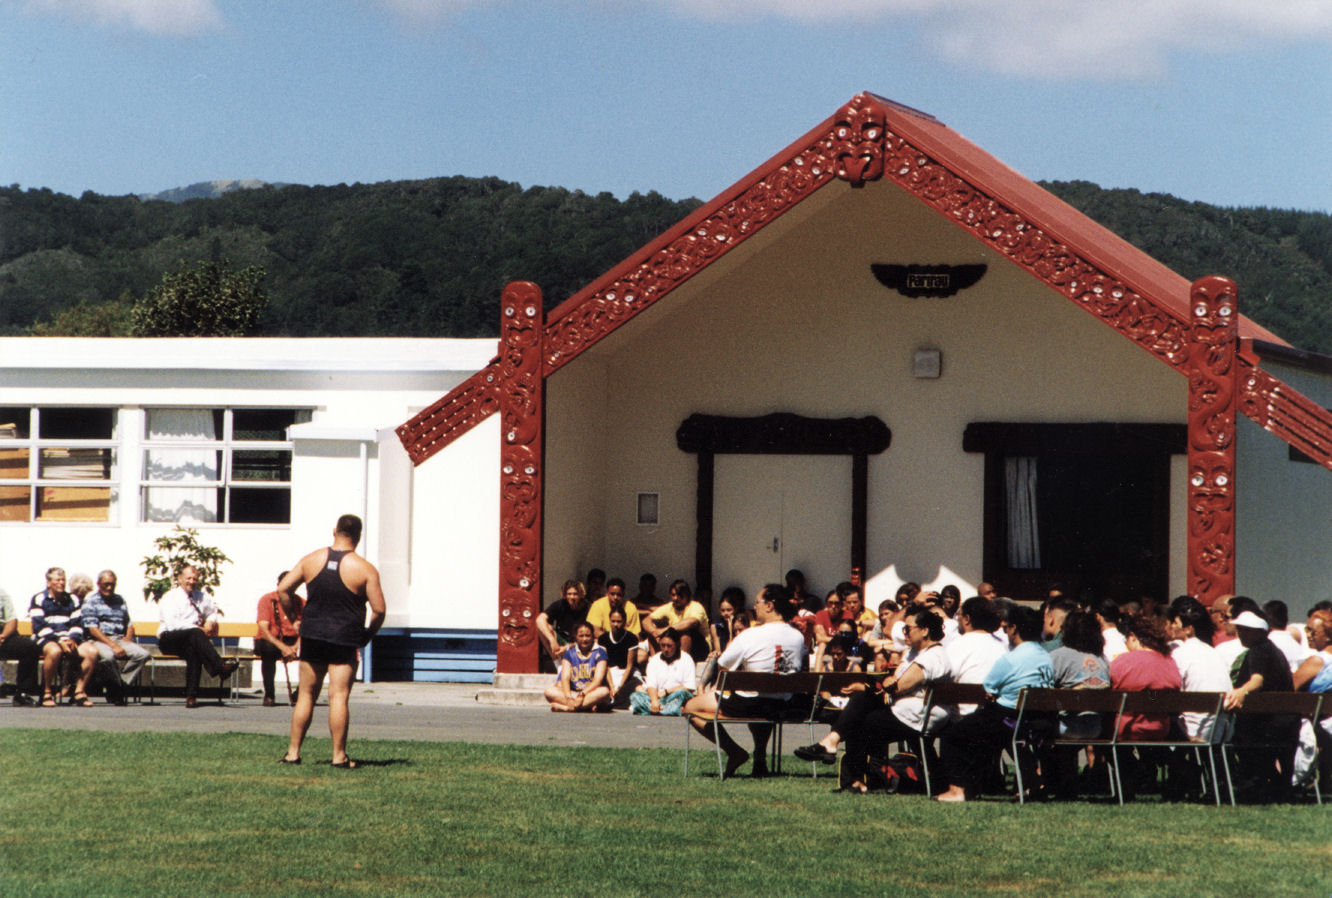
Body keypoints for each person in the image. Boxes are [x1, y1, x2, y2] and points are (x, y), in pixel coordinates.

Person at [799, 610, 952, 793]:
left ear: (925, 631)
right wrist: (878, 685)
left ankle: (849, 772)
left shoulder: (933, 657)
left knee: (860, 717)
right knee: (860, 704)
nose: (904, 633)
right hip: (902, 710)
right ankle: (835, 748)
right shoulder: (914, 653)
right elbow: (892, 682)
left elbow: (897, 687)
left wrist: (867, 687)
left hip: (916, 717)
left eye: (907, 629)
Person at [278, 514, 386, 767]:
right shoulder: (365, 569)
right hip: (344, 637)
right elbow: (380, 610)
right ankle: (338, 756)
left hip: (313, 634)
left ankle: (293, 753)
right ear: (358, 536)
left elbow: (284, 588)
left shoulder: (311, 559)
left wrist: (294, 618)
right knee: (338, 696)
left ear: (334, 530)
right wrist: (367, 635)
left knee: (306, 694)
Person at [682, 583, 805, 778]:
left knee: (689, 708)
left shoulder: (750, 635)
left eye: (757, 602)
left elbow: (722, 665)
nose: (753, 607)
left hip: (747, 703)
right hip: (781, 703)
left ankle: (734, 752)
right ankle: (760, 758)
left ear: (770, 606)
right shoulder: (798, 637)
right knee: (764, 700)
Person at [936, 605, 1054, 802]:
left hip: (1006, 718)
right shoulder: (1046, 657)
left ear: (1015, 628)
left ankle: (958, 790)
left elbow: (988, 687)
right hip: (1035, 721)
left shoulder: (1010, 659)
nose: (1006, 632)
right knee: (979, 733)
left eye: (1007, 628)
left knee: (953, 734)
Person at [1224, 607, 1298, 800]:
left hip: (1267, 723)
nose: (1241, 634)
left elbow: (1258, 680)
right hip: (1288, 720)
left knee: (1240, 737)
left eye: (1246, 630)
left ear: (1260, 632)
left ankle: (1263, 786)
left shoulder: (1257, 651)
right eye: (1240, 629)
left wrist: (1240, 692)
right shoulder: (1275, 651)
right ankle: (1280, 788)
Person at [158, 565, 240, 708]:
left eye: (195, 579)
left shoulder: (201, 597)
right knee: (195, 634)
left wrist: (210, 622)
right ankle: (220, 667)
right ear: (180, 579)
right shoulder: (170, 597)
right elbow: (173, 625)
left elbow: (212, 612)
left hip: (190, 640)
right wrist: (200, 630)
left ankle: (191, 696)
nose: (192, 582)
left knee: (194, 650)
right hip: (169, 639)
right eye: (188, 578)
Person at [30, 567, 99, 707]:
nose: (61, 583)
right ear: (49, 583)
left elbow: (77, 623)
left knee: (92, 651)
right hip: (47, 638)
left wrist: (72, 639)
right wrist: (60, 641)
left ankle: (79, 692)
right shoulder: (39, 598)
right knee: (55, 651)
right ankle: (47, 693)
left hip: (69, 639)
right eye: (57, 580)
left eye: (63, 580)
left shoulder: (72, 599)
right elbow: (39, 626)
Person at [81, 569, 150, 705]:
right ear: (98, 584)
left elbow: (128, 623)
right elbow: (93, 629)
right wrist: (113, 645)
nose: (109, 587)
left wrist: (128, 638)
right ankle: (116, 689)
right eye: (106, 584)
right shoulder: (90, 602)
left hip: (119, 638)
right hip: (99, 640)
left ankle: (119, 686)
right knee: (108, 656)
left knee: (143, 654)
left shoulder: (119, 599)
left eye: (112, 584)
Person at [256, 571, 304, 706]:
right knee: (268, 649)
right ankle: (269, 694)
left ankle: (301, 693)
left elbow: (307, 629)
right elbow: (264, 631)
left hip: (292, 641)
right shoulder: (267, 600)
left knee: (314, 650)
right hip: (271, 641)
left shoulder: (301, 602)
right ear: (279, 585)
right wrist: (283, 648)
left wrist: (295, 647)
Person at [544, 621, 612, 712]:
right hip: (573, 693)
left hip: (589, 693)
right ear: (576, 637)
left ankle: (566, 708)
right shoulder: (569, 653)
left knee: (604, 692)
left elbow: (597, 681)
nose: (584, 639)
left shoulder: (600, 652)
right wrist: (568, 697)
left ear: (593, 637)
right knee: (549, 691)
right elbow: (565, 678)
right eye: (581, 636)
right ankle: (585, 707)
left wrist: (582, 694)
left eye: (588, 636)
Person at [631, 628, 696, 716]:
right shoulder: (655, 660)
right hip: (658, 696)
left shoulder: (686, 659)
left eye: (669, 646)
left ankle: (652, 709)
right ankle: (667, 710)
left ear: (677, 644)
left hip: (675, 695)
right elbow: (651, 684)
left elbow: (689, 687)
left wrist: (666, 692)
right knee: (635, 696)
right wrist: (654, 700)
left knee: (682, 694)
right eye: (663, 645)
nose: (665, 649)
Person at [643, 580, 711, 660]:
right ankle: (657, 663)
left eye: (679, 595)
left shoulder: (695, 606)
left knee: (685, 633)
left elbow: (690, 622)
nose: (676, 598)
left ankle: (683, 664)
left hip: (700, 648)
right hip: (675, 644)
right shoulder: (669, 606)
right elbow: (646, 621)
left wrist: (663, 631)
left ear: (687, 595)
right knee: (651, 634)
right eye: (673, 595)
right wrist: (654, 632)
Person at [535, 580, 590, 669]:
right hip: (562, 643)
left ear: (581, 594)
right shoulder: (560, 604)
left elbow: (590, 635)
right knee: (545, 627)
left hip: (580, 642)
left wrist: (567, 648)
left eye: (575, 594)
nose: (572, 597)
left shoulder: (587, 607)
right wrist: (552, 640)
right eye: (569, 594)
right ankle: (558, 663)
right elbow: (539, 620)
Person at [0, 586, 41, 705]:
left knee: (29, 647)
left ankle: (23, 693)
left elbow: (12, 621)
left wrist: (3, 636)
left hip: (3, 635)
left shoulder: (2, 593)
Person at [597, 607, 641, 706]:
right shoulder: (603, 639)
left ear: (624, 622)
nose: (616, 624)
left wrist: (620, 686)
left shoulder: (632, 638)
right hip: (609, 673)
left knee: (637, 688)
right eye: (613, 621)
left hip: (626, 673)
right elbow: (605, 665)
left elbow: (629, 666)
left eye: (619, 621)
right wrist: (612, 687)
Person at [710, 587, 745, 654]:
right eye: (722, 610)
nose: (725, 613)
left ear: (735, 609)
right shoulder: (715, 626)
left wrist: (731, 630)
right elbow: (718, 651)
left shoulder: (740, 624)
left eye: (729, 610)